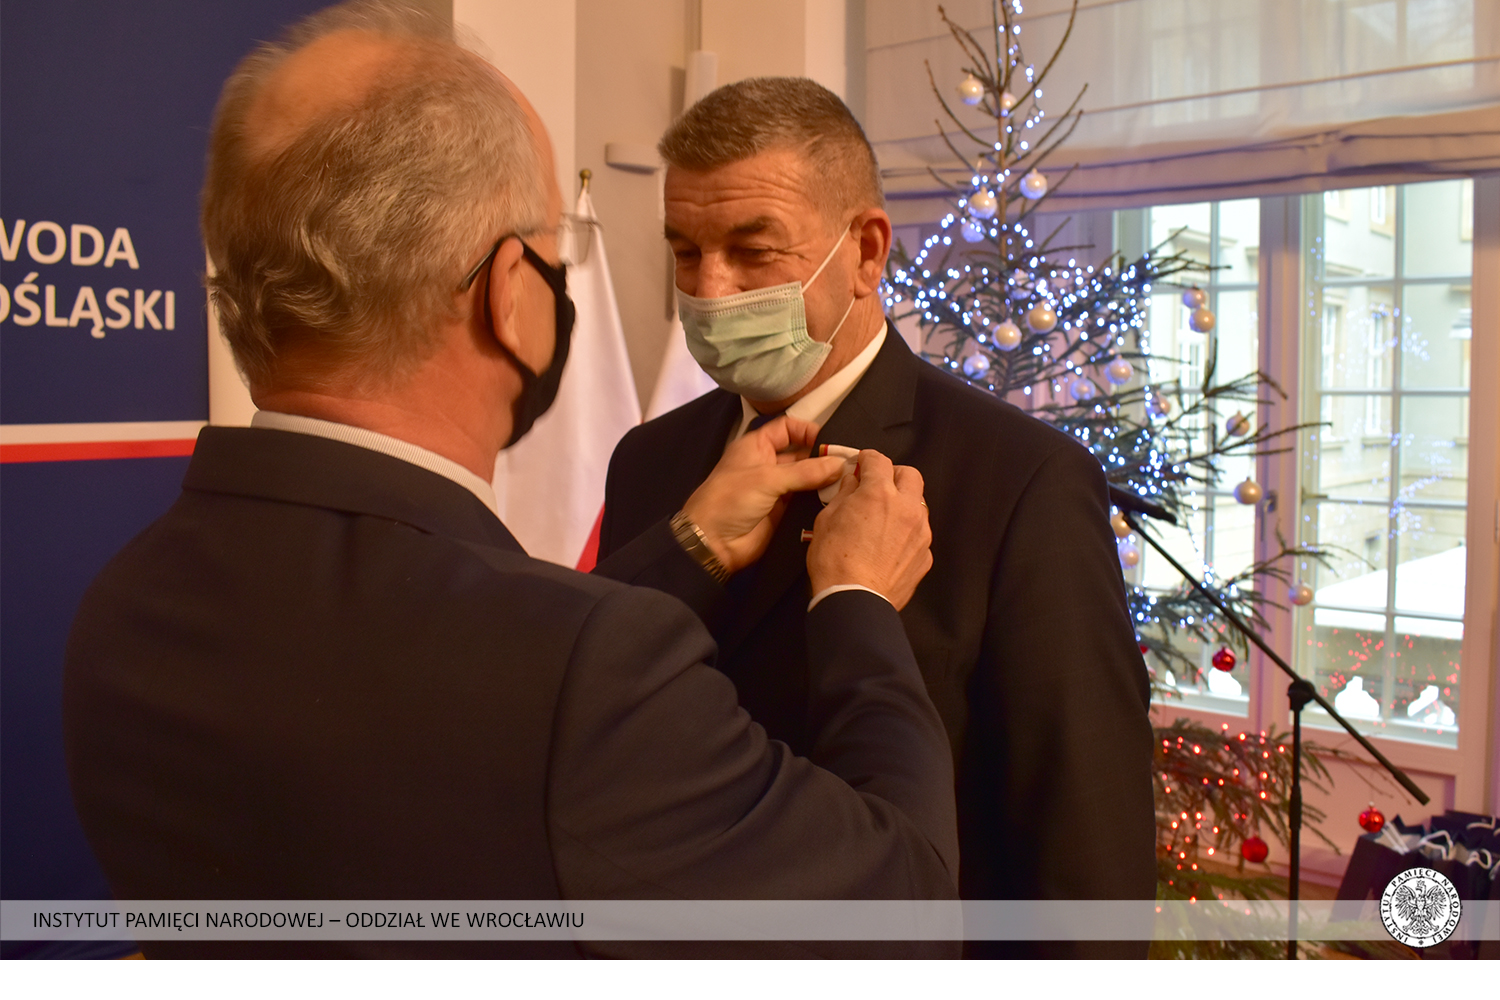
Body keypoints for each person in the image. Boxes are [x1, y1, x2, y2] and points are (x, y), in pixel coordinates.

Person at [61, 4, 957, 959]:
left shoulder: (123, 607)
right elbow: (904, 905)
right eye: (549, 252)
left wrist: (686, 550)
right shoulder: (575, 672)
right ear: (507, 293)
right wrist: (858, 601)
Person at [598, 77, 1157, 958]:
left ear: (865, 252)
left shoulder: (1022, 481)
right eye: (685, 251)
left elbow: (1083, 855)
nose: (709, 289)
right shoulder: (648, 459)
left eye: (752, 251)